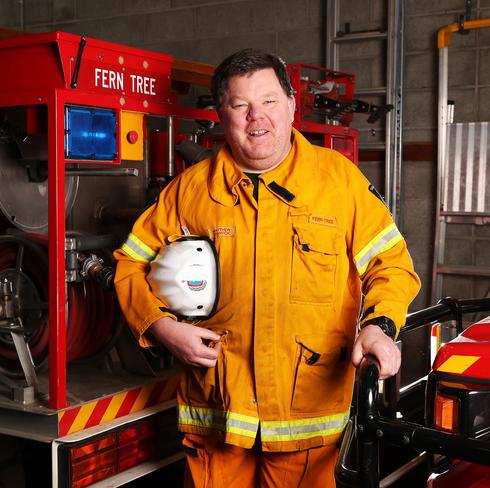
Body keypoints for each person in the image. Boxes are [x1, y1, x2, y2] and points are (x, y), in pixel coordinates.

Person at [113, 48, 420, 487]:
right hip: (219, 418)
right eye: (241, 105)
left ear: (292, 104)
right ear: (222, 114)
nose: (258, 118)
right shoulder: (190, 192)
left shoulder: (340, 182)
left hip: (306, 424)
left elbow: (391, 265)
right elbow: (129, 263)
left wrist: (379, 325)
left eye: (270, 101)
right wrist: (161, 327)